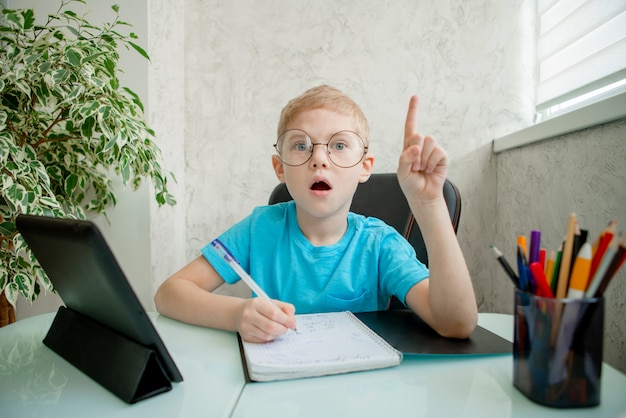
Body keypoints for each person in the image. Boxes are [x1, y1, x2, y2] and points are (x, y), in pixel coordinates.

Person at [155, 85, 477, 343]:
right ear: (280, 168)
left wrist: (429, 204)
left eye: (338, 145)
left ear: (364, 167)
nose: (319, 158)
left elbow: (456, 323)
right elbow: (169, 294)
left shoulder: (380, 244)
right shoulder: (258, 229)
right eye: (301, 145)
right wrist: (237, 314)